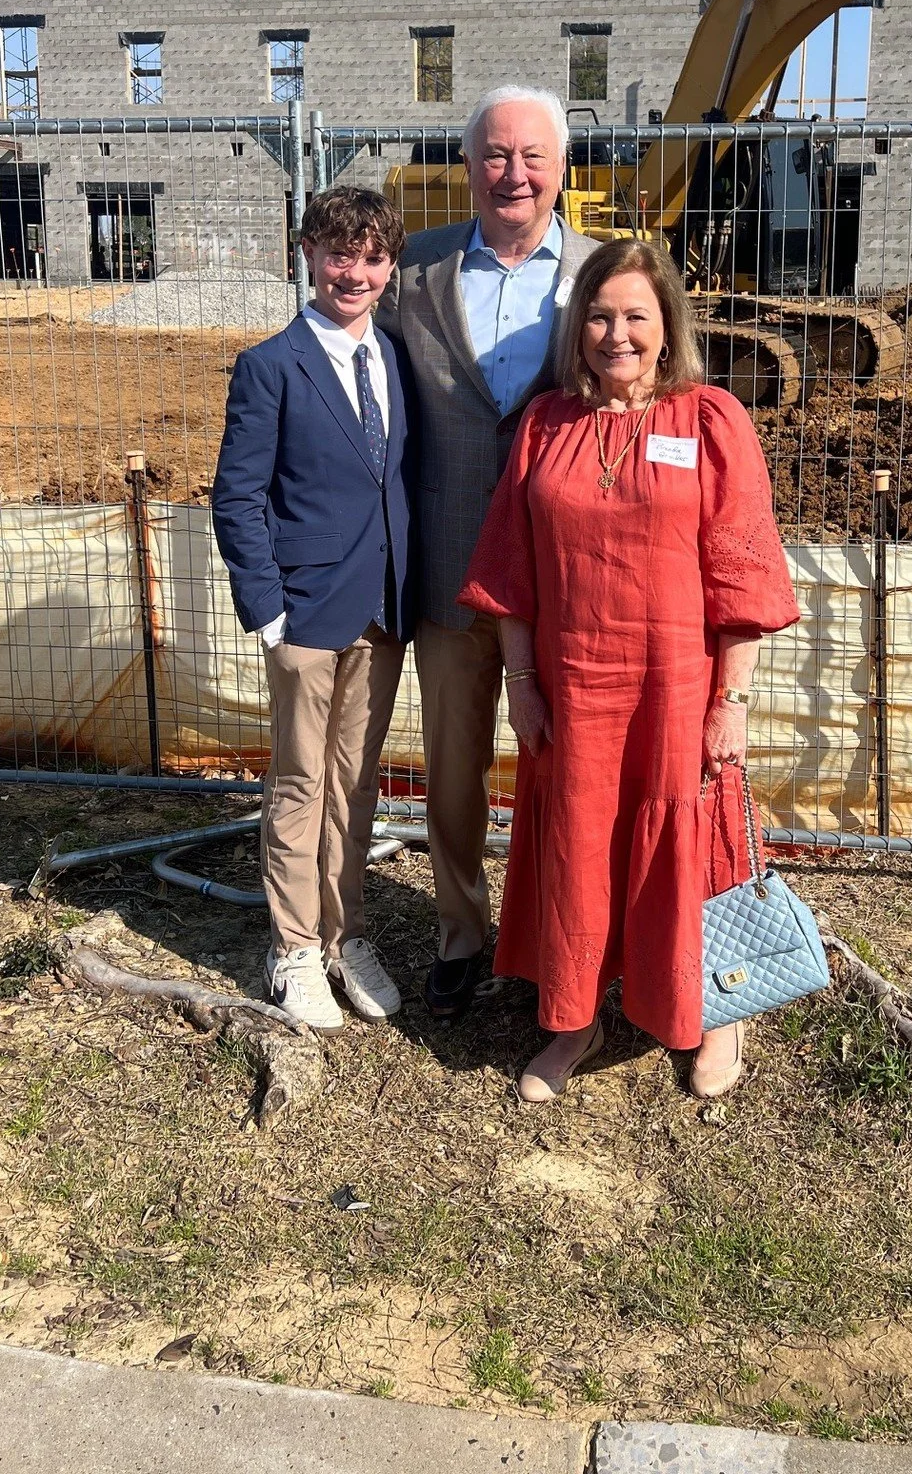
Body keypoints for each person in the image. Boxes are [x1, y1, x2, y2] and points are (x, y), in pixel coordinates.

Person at [456, 237, 800, 1101]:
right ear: (578, 330)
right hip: (575, 688)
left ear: (666, 325)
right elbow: (512, 574)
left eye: (636, 316)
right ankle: (575, 1017)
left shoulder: (709, 420)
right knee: (577, 846)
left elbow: (743, 572)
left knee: (690, 843)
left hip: (677, 687)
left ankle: (717, 1010)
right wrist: (524, 686)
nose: (618, 334)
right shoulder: (546, 425)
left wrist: (734, 698)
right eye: (601, 316)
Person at [382, 85, 598, 1019]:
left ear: (561, 169)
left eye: (532, 157)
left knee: (576, 768)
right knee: (455, 766)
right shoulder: (415, 270)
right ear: (468, 169)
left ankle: (570, 942)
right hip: (451, 570)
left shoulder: (603, 273)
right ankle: (463, 932)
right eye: (496, 156)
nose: (514, 173)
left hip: (571, 580)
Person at [212, 186, 414, 1031]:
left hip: (381, 609)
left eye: (371, 257)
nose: (354, 272)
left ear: (389, 265)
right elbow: (238, 494)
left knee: (355, 785)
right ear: (307, 253)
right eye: (339, 254)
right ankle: (292, 947)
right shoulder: (272, 365)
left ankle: (346, 934)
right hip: (302, 613)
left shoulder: (396, 358)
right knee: (299, 782)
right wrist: (266, 609)